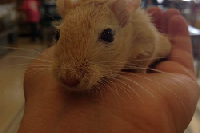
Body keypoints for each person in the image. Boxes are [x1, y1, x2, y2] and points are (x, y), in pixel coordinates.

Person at [17, 8, 199, 133]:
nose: (70, 76)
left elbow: (149, 43)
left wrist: (140, 70)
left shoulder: (138, 31)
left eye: (105, 36)